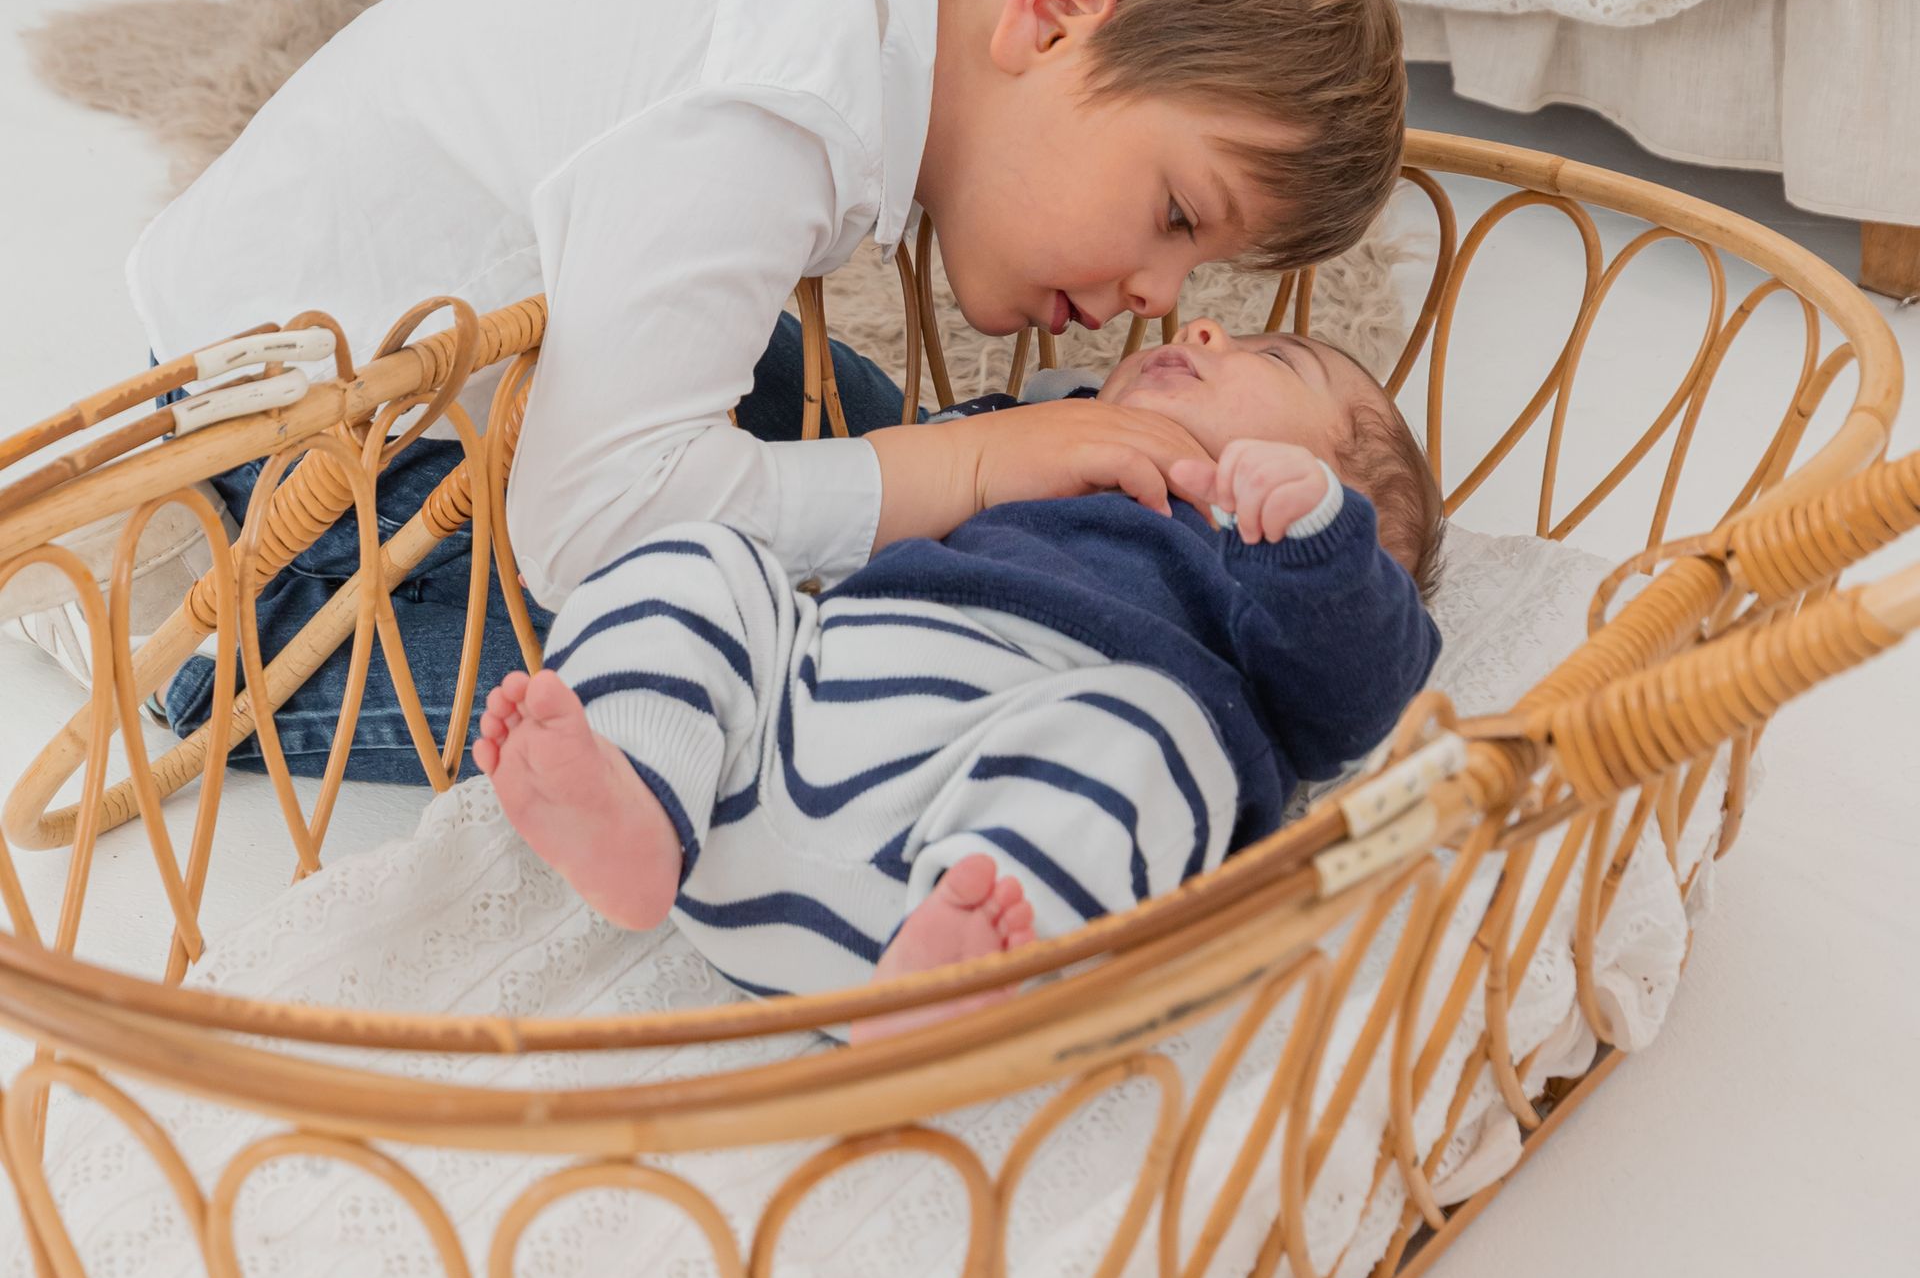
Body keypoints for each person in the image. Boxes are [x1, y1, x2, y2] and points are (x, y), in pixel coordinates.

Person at [128, 0, 1407, 781]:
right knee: (697, 694)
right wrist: (966, 473)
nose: (1155, 295)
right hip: (322, 426)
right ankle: (218, 664)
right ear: (1053, 18)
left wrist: (947, 472)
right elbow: (587, 526)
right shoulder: (774, 114)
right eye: (1176, 217)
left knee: (851, 422)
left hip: (512, 305)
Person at [472, 317, 1443, 1019]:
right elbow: (880, 495)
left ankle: (964, 977)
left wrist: (1317, 544)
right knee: (708, 561)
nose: (1207, 326)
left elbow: (1363, 694)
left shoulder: (1281, 576)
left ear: (1333, 486)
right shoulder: (1043, 444)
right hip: (769, 784)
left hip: (961, 884)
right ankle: (639, 790)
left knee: (1152, 730)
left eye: (1273, 357)